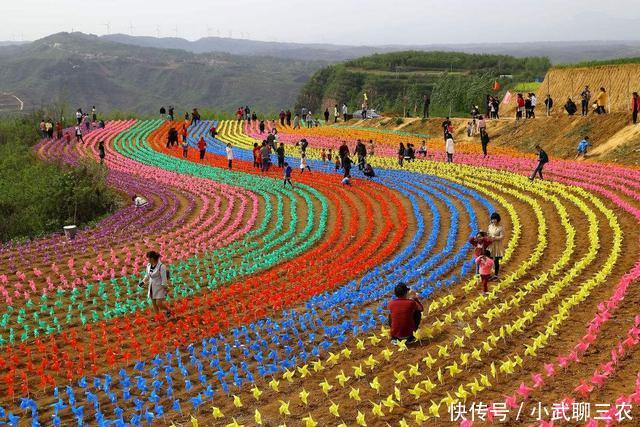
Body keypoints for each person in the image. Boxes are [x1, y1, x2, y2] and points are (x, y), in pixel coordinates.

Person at [138, 251, 172, 317]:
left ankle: (167, 310)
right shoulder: (148, 266)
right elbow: (147, 275)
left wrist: (166, 288)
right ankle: (158, 316)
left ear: (152, 259)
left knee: (159, 303)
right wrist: (143, 282)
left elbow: (164, 279)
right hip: (152, 286)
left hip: (159, 286)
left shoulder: (161, 266)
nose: (147, 260)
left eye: (148, 258)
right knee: (153, 302)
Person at [487, 212, 504, 279]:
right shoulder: (490, 226)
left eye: (495, 219)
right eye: (492, 219)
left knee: (496, 260)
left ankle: (496, 275)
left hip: (497, 245)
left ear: (498, 219)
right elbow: (488, 233)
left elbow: (502, 236)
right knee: (489, 260)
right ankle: (488, 273)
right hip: (490, 245)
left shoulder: (500, 228)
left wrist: (495, 238)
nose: (493, 220)